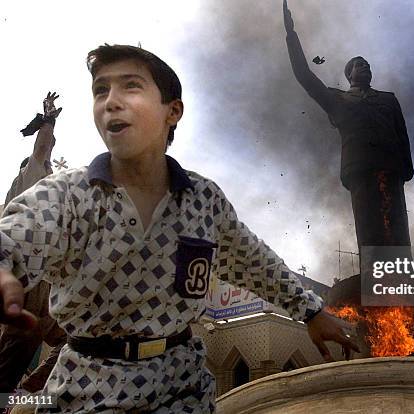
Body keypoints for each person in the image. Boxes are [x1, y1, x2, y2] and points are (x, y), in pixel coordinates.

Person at [0, 44, 358, 413]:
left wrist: (312, 312)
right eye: (101, 90)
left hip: (182, 389)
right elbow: (18, 235)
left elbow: (252, 261)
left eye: (131, 87)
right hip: (86, 391)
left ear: (172, 111)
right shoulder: (65, 195)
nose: (111, 101)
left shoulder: (203, 200)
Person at [283, 0, 414, 251]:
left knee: (398, 230)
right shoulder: (337, 99)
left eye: (367, 65)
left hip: (391, 168)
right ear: (349, 74)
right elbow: (304, 75)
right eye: (359, 64)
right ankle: (374, 277)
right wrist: (291, 34)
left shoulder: (389, 99)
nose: (365, 66)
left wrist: (407, 168)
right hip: (360, 169)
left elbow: (402, 134)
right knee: (370, 230)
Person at [0, 93, 67, 394]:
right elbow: (42, 149)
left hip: (44, 280)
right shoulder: (30, 179)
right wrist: (48, 120)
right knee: (24, 336)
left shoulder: (50, 199)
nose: (51, 172)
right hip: (21, 274)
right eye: (48, 169)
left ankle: (26, 393)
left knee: (74, 340)